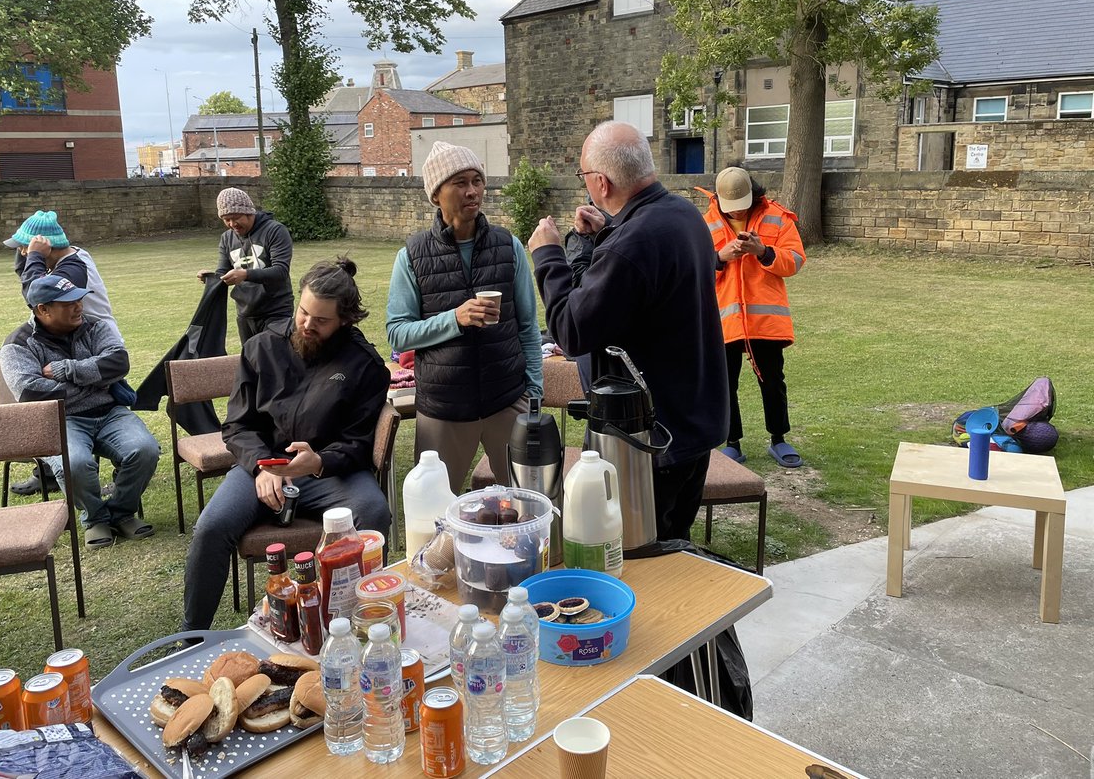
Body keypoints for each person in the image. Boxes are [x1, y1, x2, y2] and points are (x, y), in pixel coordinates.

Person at [527, 121, 728, 542]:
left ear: (600, 182)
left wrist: (547, 254)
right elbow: (636, 290)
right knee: (674, 545)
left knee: (641, 557)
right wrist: (601, 236)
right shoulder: (682, 215)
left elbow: (571, 329)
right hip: (690, 421)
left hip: (647, 441)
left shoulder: (632, 243)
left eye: (584, 176)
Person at [183, 258, 392, 631]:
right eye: (303, 313)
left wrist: (319, 461)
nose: (308, 325)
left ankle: (360, 620)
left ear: (345, 320)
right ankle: (191, 637)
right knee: (212, 527)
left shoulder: (365, 366)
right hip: (261, 466)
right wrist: (263, 464)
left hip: (328, 472)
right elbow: (237, 425)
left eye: (321, 321)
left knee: (373, 511)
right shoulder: (262, 347)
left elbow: (359, 443)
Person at [386, 140, 543, 493]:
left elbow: (528, 327)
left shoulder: (509, 246)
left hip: (507, 399)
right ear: (435, 194)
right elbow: (398, 333)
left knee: (533, 502)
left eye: (477, 181)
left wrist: (533, 392)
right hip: (444, 407)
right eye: (460, 183)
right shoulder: (412, 256)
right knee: (433, 511)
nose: (472, 191)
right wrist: (455, 318)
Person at [0, 275, 160, 548]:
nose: (78, 307)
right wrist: (95, 382)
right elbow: (31, 393)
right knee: (74, 463)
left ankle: (121, 513)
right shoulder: (18, 344)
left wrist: (67, 370)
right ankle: (95, 518)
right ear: (43, 310)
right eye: (68, 303)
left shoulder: (95, 326)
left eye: (79, 299)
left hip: (110, 412)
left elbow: (118, 364)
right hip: (60, 418)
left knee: (145, 450)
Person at [704, 166, 806, 468]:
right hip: (724, 321)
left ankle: (779, 438)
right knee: (725, 384)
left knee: (773, 381)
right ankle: (731, 442)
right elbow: (691, 268)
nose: (738, 212)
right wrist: (719, 258)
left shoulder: (778, 217)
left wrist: (763, 251)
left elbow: (795, 260)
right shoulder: (704, 223)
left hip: (765, 321)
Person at [5, 210, 121, 341]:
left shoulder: (73, 270)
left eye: (25, 247)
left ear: (47, 247)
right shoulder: (74, 253)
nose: (23, 253)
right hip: (84, 340)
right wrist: (27, 241)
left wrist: (35, 255)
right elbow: (25, 272)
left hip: (99, 344)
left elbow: (34, 296)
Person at [196, 187, 294, 344]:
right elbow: (223, 272)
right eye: (226, 219)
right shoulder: (226, 238)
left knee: (275, 361)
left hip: (276, 311)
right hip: (245, 313)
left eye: (236, 217)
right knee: (250, 363)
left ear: (249, 212)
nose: (232, 224)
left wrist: (246, 274)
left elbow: (281, 271)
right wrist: (211, 277)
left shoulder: (275, 231)